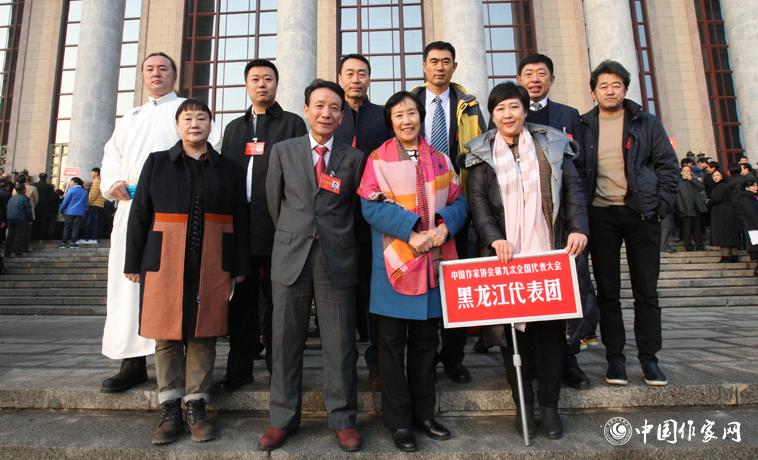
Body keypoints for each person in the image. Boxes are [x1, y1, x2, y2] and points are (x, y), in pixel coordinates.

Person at [465, 82, 588, 439]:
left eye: (514, 107)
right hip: (505, 258)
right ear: (492, 115)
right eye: (500, 109)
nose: (508, 115)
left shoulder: (552, 145)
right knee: (512, 338)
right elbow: (478, 204)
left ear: (525, 110)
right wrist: (494, 238)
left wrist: (578, 228)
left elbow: (573, 191)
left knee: (550, 334)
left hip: (549, 253)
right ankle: (523, 405)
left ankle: (549, 406)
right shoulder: (480, 155)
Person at [124, 99, 250, 445]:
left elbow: (241, 219)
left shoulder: (229, 168)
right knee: (165, 335)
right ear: (178, 125)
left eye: (201, 118)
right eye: (188, 118)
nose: (194, 124)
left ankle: (196, 405)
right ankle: (169, 408)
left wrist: (239, 264)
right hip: (164, 259)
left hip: (212, 260)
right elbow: (140, 214)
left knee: (203, 333)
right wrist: (133, 262)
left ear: (211, 124)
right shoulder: (157, 163)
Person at [100, 52, 221, 393]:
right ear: (142, 75)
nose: (156, 74)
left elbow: (208, 149)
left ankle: (177, 361)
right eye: (150, 69)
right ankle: (132, 361)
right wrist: (112, 182)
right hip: (131, 209)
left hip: (175, 214)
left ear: (174, 75)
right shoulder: (131, 116)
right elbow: (111, 156)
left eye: (163, 68)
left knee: (173, 286)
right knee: (129, 286)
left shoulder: (186, 111)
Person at [358, 91, 468, 451]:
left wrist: (444, 227)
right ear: (390, 122)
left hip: (433, 263)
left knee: (425, 344)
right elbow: (371, 205)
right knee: (390, 347)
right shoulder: (378, 159)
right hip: (395, 263)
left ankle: (424, 414)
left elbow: (459, 200)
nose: (406, 121)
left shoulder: (440, 159)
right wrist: (411, 232)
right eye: (399, 115)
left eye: (411, 113)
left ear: (421, 117)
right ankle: (398, 422)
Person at [259, 79, 365, 452]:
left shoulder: (354, 158)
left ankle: (343, 419)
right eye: (319, 105)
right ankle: (282, 419)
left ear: (342, 116)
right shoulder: (283, 151)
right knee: (285, 340)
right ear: (306, 110)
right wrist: (297, 233)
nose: (326, 113)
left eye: (334, 107)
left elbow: (356, 210)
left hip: (337, 256)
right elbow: (274, 202)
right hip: (291, 255)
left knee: (340, 343)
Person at [575, 60, 678, 387]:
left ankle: (649, 358)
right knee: (608, 292)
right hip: (601, 215)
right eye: (603, 86)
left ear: (625, 89)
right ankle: (615, 359)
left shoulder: (646, 122)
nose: (610, 91)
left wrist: (661, 205)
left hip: (641, 214)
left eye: (616, 85)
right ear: (593, 92)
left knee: (646, 291)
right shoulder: (584, 125)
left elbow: (668, 166)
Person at [216, 59, 307, 392]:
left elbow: (300, 176)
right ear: (247, 85)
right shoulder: (234, 129)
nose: (262, 84)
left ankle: (280, 372)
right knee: (241, 304)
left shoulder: (292, 124)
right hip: (240, 229)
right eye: (255, 79)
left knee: (279, 305)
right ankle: (238, 371)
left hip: (278, 229)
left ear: (276, 84)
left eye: (268, 79)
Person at [514, 52, 597, 390]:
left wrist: (578, 222)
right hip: (523, 224)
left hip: (561, 223)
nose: (535, 79)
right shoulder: (509, 114)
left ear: (551, 78)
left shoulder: (568, 115)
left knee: (568, 292)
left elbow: (580, 169)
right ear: (519, 80)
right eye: (528, 74)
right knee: (531, 293)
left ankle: (569, 360)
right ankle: (535, 361)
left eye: (541, 73)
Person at [411, 41, 487, 384]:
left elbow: (482, 151)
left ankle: (454, 357)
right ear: (424, 67)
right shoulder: (411, 102)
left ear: (454, 67)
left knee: (457, 284)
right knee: (425, 283)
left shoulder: (469, 106)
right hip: (418, 204)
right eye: (433, 61)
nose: (439, 67)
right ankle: (425, 355)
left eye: (445, 62)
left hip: (459, 203)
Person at [335, 53, 394, 391]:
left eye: (362, 73)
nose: (356, 79)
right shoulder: (333, 115)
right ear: (340, 79)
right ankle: (343, 367)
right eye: (350, 73)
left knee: (376, 295)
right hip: (339, 220)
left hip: (375, 221)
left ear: (369, 79)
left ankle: (377, 364)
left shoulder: (382, 117)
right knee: (343, 295)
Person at [710, 170, 740, 262]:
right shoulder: (724, 185)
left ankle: (726, 256)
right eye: (714, 175)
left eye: (717, 175)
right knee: (728, 234)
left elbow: (715, 198)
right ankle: (734, 256)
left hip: (722, 213)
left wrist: (707, 202)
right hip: (725, 212)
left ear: (722, 176)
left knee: (723, 234)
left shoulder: (721, 186)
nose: (715, 177)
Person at [675, 164, 707, 251]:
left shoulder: (694, 180)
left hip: (696, 208)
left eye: (688, 171)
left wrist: (692, 179)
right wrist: (681, 209)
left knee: (697, 228)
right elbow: (677, 197)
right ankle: (688, 246)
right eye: (684, 171)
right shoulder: (678, 182)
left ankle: (699, 245)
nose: (686, 172)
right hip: (685, 208)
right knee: (687, 229)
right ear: (681, 173)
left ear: (691, 172)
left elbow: (702, 187)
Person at [58, 177, 88, 248]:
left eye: (71, 182)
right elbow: (86, 203)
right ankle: (73, 243)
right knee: (76, 227)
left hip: (70, 212)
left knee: (67, 227)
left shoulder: (71, 190)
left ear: (75, 183)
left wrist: (61, 209)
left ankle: (64, 242)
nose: (70, 183)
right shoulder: (85, 191)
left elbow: (65, 201)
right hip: (80, 213)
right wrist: (84, 211)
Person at [4, 184, 33, 257]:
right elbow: (28, 210)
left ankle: (7, 253)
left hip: (10, 219)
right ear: (23, 190)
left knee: (10, 236)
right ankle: (17, 252)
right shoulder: (25, 198)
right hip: (20, 219)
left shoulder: (12, 198)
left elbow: (7, 207)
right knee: (19, 236)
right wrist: (30, 219)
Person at [737, 178, 758, 276]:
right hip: (753, 228)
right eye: (753, 186)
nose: (755, 187)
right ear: (746, 187)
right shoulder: (745, 199)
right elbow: (752, 214)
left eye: (756, 185)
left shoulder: (754, 197)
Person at [82, 167, 104, 244]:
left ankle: (91, 238)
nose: (91, 174)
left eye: (92, 172)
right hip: (98, 205)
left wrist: (89, 203)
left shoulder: (96, 181)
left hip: (95, 205)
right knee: (94, 222)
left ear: (96, 173)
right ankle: (92, 238)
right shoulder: (98, 181)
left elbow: (94, 194)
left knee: (91, 222)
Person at [32, 173, 56, 240]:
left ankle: (34, 237)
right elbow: (52, 197)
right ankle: (41, 238)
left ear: (39, 177)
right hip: (45, 208)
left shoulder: (34, 185)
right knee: (43, 224)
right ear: (46, 178)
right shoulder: (49, 186)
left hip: (35, 207)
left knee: (35, 223)